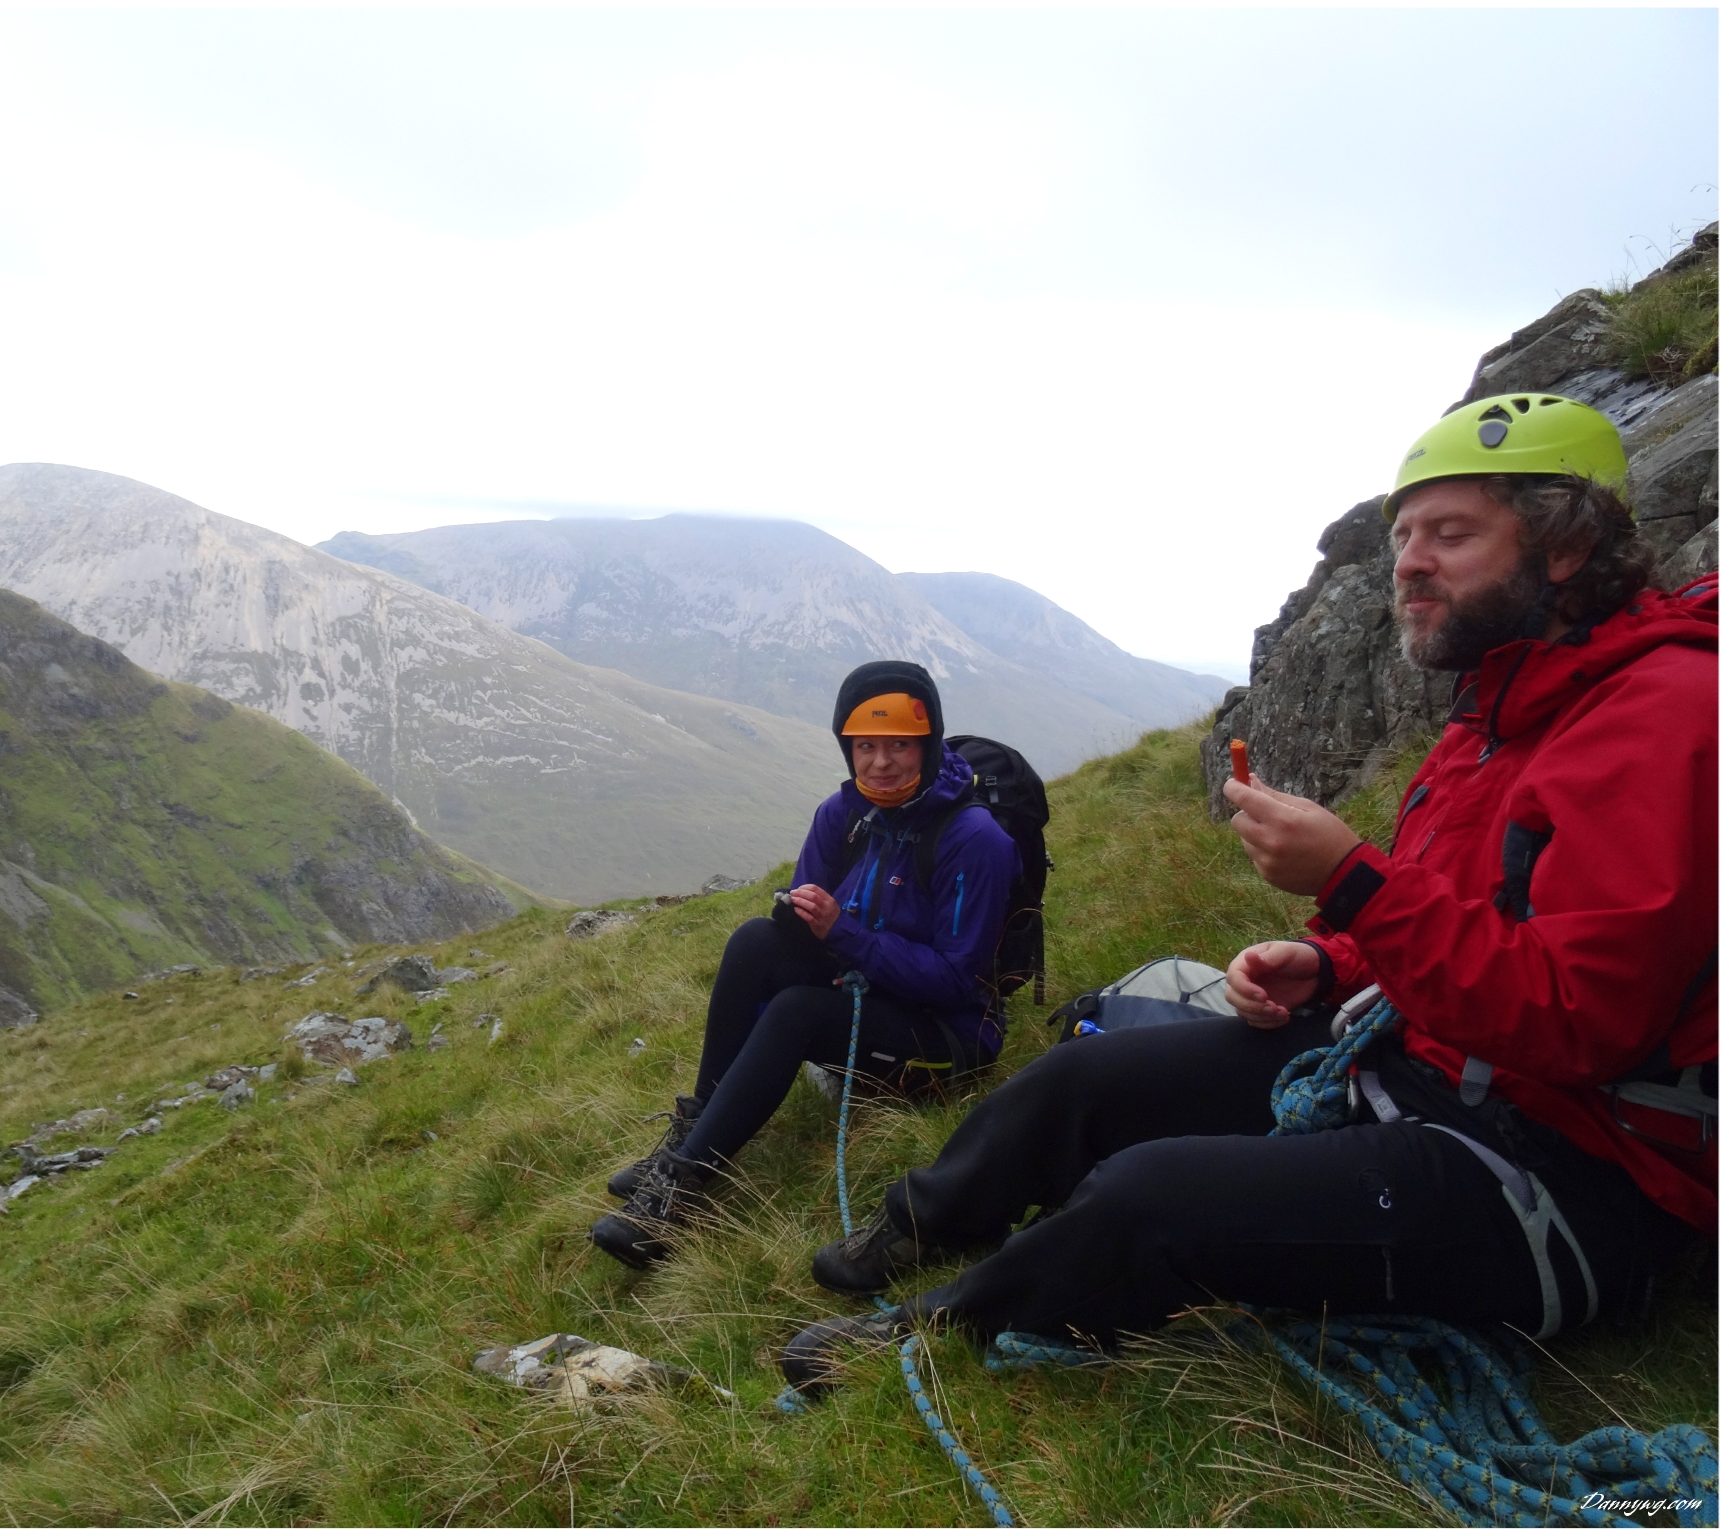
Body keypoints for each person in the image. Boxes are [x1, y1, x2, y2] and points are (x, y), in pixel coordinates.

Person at [779, 393, 1717, 1391]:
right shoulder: (1496, 714)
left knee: (1152, 1195)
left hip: (1568, 1171)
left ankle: (940, 1333)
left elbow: (1579, 1019)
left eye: (1450, 535)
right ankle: (918, 1224)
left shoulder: (1667, 720)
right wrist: (1327, 962)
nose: (1408, 563)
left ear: (1564, 546)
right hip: (1425, 1070)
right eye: (1403, 536)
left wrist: (1352, 887)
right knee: (1078, 1079)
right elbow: (1465, 919)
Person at [589, 660, 1019, 1268]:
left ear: (928, 743)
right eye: (865, 746)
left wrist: (844, 932)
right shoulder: (842, 817)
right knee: (753, 941)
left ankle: (676, 1197)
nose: (881, 762)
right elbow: (802, 932)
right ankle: (693, 1132)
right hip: (871, 998)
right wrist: (802, 922)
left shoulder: (974, 839)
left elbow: (957, 981)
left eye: (899, 745)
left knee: (798, 1011)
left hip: (947, 1039)